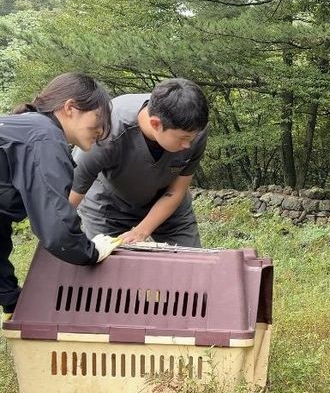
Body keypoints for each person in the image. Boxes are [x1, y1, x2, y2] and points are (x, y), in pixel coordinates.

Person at [0, 72, 122, 317]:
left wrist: (12, 299)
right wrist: (92, 251)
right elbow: (57, 229)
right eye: (98, 118)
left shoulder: (25, 129)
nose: (101, 129)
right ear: (70, 108)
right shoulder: (44, 138)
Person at [70, 78, 209, 247]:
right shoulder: (106, 131)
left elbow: (176, 190)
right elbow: (71, 196)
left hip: (166, 203)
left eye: (192, 138)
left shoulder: (194, 129)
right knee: (108, 266)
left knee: (191, 264)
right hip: (107, 204)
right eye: (183, 139)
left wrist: (141, 231)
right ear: (155, 124)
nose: (188, 145)